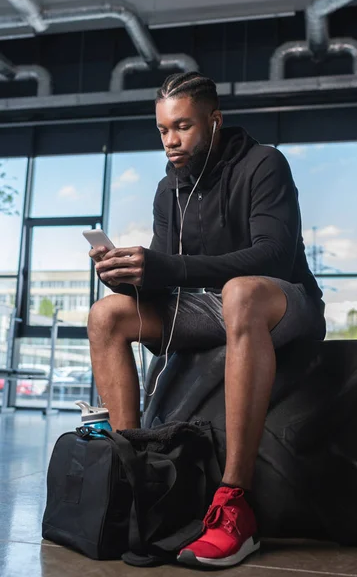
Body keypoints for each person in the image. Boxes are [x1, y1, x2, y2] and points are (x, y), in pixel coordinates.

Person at [88, 72, 326, 568]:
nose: (170, 141)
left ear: (214, 121)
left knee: (240, 294)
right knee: (107, 315)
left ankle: (234, 505)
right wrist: (129, 278)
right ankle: (140, 484)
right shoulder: (167, 189)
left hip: (284, 302)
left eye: (183, 127)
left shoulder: (264, 164)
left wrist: (166, 268)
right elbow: (164, 276)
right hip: (212, 309)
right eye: (162, 130)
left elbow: (274, 257)